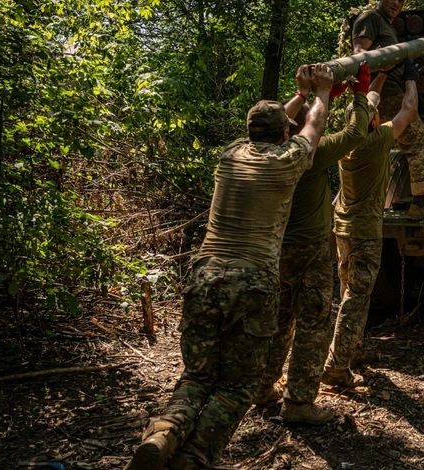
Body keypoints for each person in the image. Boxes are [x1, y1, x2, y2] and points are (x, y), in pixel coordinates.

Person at [124, 64, 335, 470]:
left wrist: (300, 93)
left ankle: (164, 433)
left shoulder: (231, 153)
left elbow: (276, 123)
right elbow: (314, 126)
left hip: (203, 275)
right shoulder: (288, 160)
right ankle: (195, 457)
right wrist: (321, 94)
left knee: (198, 376)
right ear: (284, 134)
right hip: (251, 280)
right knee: (238, 387)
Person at [253, 62, 373, 425]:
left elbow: (285, 123)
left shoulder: (257, 152)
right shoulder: (311, 154)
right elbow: (355, 133)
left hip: (275, 249)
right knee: (314, 321)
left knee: (278, 318)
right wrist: (359, 92)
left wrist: (307, 95)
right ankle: (299, 403)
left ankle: (261, 386)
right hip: (309, 249)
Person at [322, 59, 420, 387]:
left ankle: (349, 351)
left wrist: (379, 75)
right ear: (375, 122)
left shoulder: (347, 142)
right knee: (356, 299)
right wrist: (410, 77)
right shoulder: (378, 143)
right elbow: (409, 109)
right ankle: (336, 368)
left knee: (348, 291)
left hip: (343, 231)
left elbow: (366, 110)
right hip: (364, 233)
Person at [352, 0, 424, 220]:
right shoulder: (370, 18)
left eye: (401, 0)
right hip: (384, 95)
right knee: (420, 143)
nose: (396, 3)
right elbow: (358, 54)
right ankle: (420, 207)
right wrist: (380, 62)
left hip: (387, 93)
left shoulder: (386, 24)